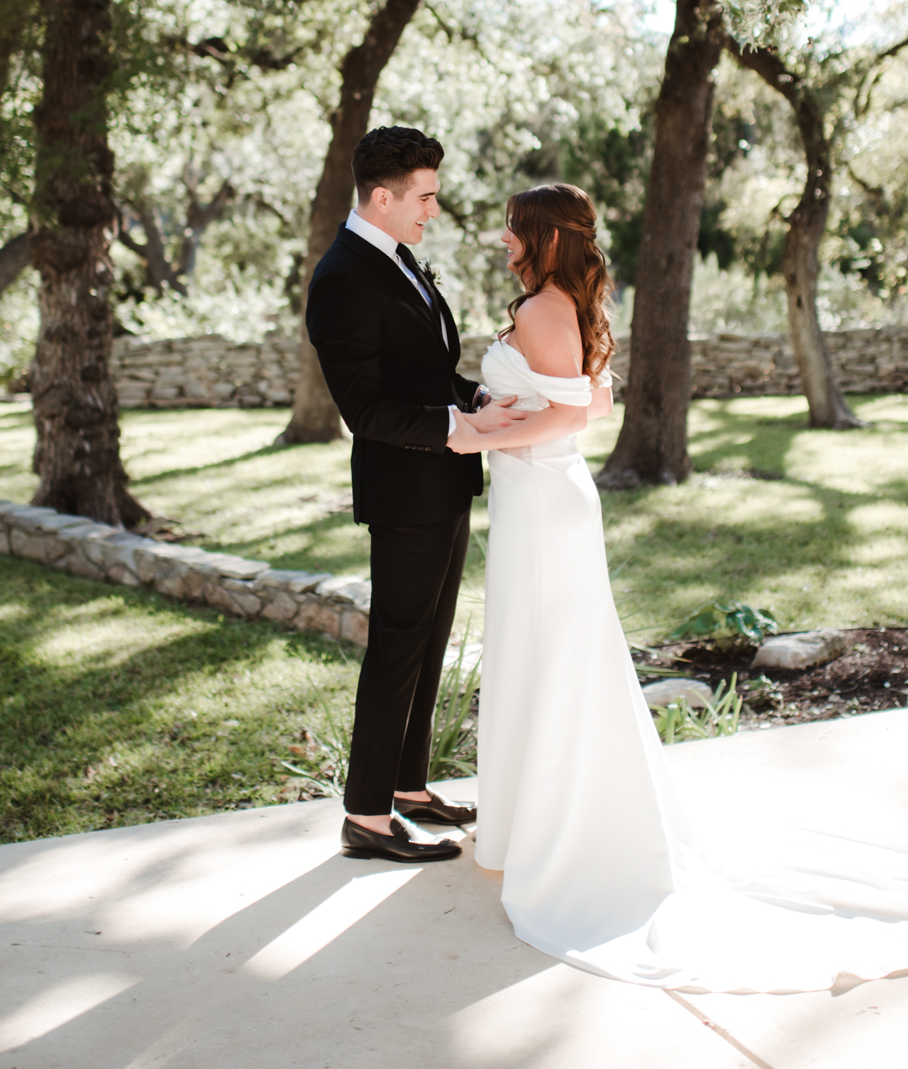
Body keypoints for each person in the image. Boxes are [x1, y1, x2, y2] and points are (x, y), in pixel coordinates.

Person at [447, 181, 908, 992]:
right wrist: (497, 411)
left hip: (543, 499)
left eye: (515, 229)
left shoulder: (543, 309)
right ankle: (534, 825)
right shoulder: (563, 305)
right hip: (540, 497)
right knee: (544, 653)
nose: (505, 240)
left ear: (546, 238)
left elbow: (572, 418)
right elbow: (588, 397)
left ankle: (557, 835)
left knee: (551, 657)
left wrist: (471, 437)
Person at [306, 125, 527, 863]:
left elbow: (423, 374)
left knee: (428, 645)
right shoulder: (343, 277)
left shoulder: (397, 259)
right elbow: (365, 409)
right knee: (396, 647)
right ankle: (367, 818)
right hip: (405, 492)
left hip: (444, 481)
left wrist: (478, 401)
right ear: (382, 196)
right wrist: (460, 428)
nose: (433, 210)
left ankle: (408, 787)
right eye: (424, 197)